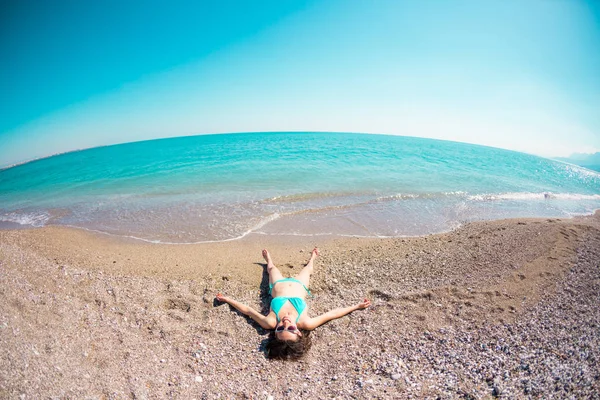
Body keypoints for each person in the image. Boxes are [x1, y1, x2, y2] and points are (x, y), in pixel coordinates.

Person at [215, 248, 371, 360]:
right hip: (299, 285)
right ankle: (312, 257)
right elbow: (331, 314)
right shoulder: (306, 322)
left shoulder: (270, 322)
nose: (285, 323)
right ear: (298, 332)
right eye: (290, 328)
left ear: (275, 331)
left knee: (271, 268)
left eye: (280, 328)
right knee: (308, 269)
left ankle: (268, 259)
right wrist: (356, 306)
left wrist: (228, 299)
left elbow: (248, 311)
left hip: (278, 284)